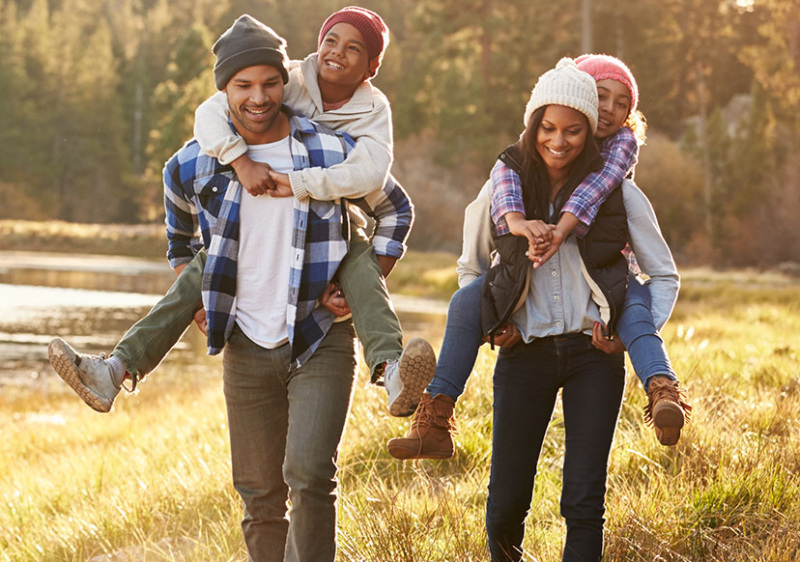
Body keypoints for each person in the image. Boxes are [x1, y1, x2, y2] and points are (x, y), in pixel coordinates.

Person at [48, 7, 436, 419]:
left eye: (353, 48)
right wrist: (239, 161)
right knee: (204, 268)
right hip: (249, 230)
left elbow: (379, 179)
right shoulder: (285, 80)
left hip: (335, 225)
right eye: (330, 41)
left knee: (359, 262)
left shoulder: (370, 115)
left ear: (372, 66)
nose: (259, 95)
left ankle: (391, 371)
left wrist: (352, 283)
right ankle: (114, 370)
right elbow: (211, 112)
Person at [387, 54, 689, 463]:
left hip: (607, 284)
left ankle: (662, 388)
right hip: (522, 309)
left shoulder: (616, 164)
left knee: (635, 308)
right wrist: (496, 317)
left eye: (622, 103)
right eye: (601, 98)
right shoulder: (514, 167)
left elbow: (597, 192)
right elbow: (479, 243)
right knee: (463, 302)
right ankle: (436, 414)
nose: (610, 110)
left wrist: (561, 229)